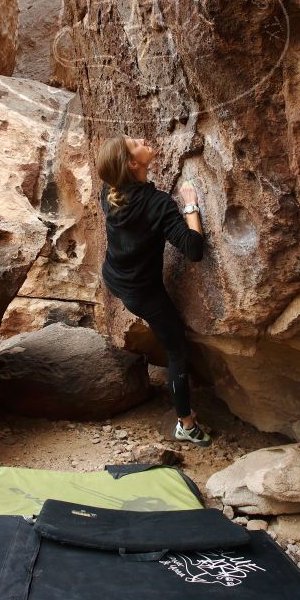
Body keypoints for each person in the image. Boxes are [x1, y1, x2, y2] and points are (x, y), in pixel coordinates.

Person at [97, 135, 211, 447]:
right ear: (132, 163)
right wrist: (191, 205)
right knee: (177, 350)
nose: (142, 139)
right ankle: (186, 424)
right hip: (143, 293)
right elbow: (194, 249)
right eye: (134, 143)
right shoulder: (158, 204)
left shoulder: (109, 191)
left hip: (116, 278)